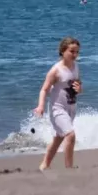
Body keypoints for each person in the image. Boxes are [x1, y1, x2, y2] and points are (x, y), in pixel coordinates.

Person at [34, 37, 82, 171]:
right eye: (72, 51)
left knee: (58, 138)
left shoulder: (76, 66)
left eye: (77, 52)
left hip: (71, 107)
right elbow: (44, 89)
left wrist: (80, 89)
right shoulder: (56, 70)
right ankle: (69, 167)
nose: (75, 55)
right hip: (57, 108)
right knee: (70, 135)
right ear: (62, 51)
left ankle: (44, 165)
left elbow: (78, 84)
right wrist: (41, 106)